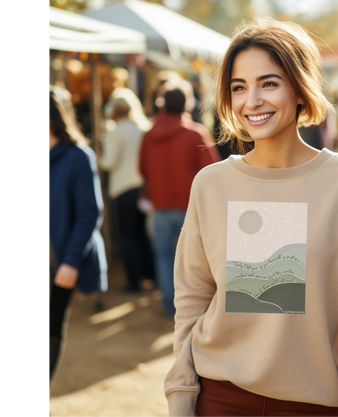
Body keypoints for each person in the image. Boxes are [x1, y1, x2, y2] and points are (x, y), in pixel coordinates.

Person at [164, 17, 338, 417]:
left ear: (300, 88)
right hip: (219, 396)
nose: (252, 101)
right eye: (239, 87)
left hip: (316, 402)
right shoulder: (211, 184)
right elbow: (193, 297)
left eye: (269, 83)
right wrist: (181, 395)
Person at [46, 85, 107, 393]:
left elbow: (90, 214)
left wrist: (70, 262)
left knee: (50, 326)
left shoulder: (79, 157)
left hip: (60, 260)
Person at [139, 88, 220, 316]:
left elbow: (143, 169)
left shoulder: (149, 134)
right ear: (187, 104)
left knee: (163, 256)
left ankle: (169, 304)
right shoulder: (196, 134)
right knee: (192, 261)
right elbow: (211, 171)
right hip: (190, 207)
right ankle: (189, 308)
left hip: (160, 205)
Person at [99, 90, 155, 292]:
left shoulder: (116, 132)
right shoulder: (144, 128)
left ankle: (134, 281)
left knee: (126, 236)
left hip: (123, 189)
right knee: (142, 235)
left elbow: (108, 162)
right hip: (143, 188)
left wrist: (99, 154)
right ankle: (151, 275)